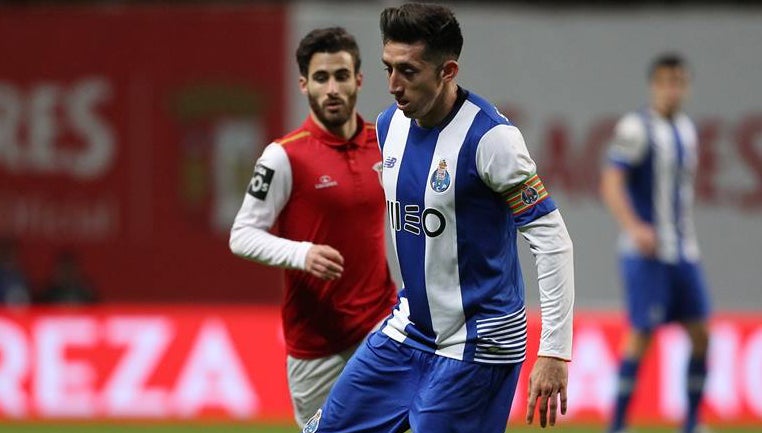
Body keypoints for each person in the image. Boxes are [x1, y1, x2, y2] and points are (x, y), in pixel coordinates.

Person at [303, 4, 575, 433]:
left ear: (447, 71)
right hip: (410, 329)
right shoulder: (390, 126)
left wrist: (555, 352)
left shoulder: (492, 140)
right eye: (387, 68)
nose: (392, 85)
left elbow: (553, 241)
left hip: (479, 344)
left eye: (407, 72)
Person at [229, 27, 398, 428]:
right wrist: (301, 253)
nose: (333, 88)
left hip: (381, 325)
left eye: (341, 75)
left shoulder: (387, 141)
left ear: (358, 79)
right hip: (318, 346)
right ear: (304, 85)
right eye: (321, 78)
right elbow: (242, 234)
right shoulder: (284, 156)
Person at [600, 53, 710, 433]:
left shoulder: (687, 130)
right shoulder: (636, 128)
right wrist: (634, 226)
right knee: (641, 334)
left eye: (678, 82)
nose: (671, 89)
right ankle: (616, 424)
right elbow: (611, 181)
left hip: (683, 249)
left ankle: (693, 421)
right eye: (664, 81)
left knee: (701, 335)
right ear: (653, 85)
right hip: (645, 253)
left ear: (686, 87)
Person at [0, 237, 31, 306]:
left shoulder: (19, 275)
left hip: (18, 313)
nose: (9, 256)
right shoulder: (2, 275)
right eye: (6, 253)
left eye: (11, 253)